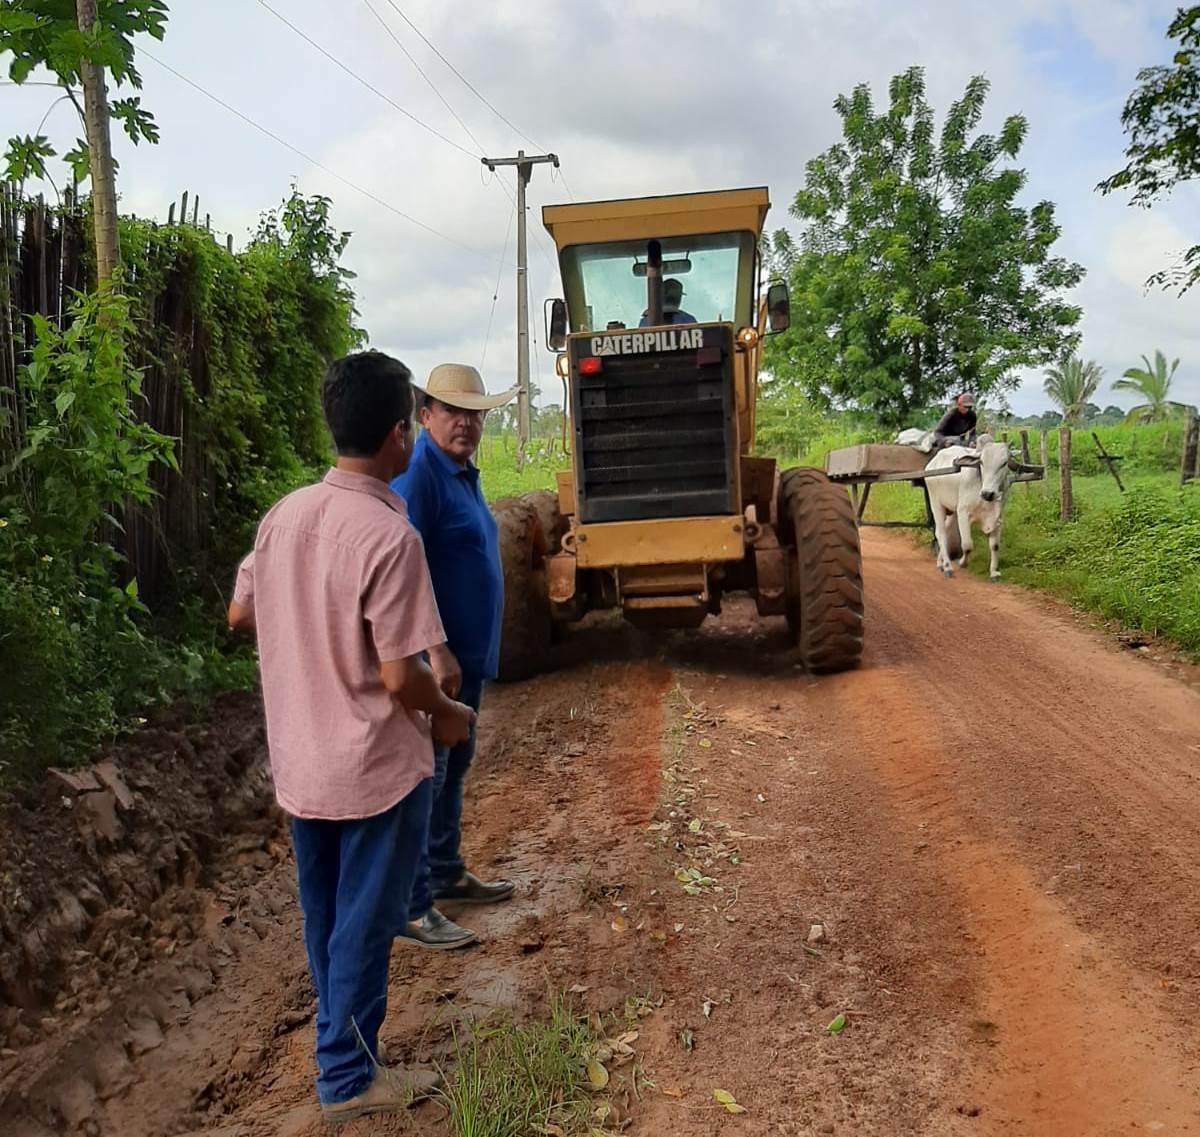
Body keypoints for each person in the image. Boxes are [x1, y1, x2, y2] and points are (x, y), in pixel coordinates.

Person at [227, 351, 476, 1122]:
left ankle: (340, 1055)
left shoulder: (283, 517)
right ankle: (345, 1077)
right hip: (375, 770)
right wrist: (451, 717)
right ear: (401, 433)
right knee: (366, 922)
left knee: (329, 916)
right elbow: (404, 679)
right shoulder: (387, 535)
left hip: (303, 765)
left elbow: (239, 615)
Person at [390, 364, 519, 950]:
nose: (466, 423)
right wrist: (430, 649)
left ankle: (445, 871)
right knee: (428, 776)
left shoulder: (462, 474)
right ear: (425, 416)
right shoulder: (421, 477)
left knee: (455, 766)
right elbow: (400, 572)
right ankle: (414, 905)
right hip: (434, 662)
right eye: (452, 412)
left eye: (475, 413)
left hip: (465, 659)